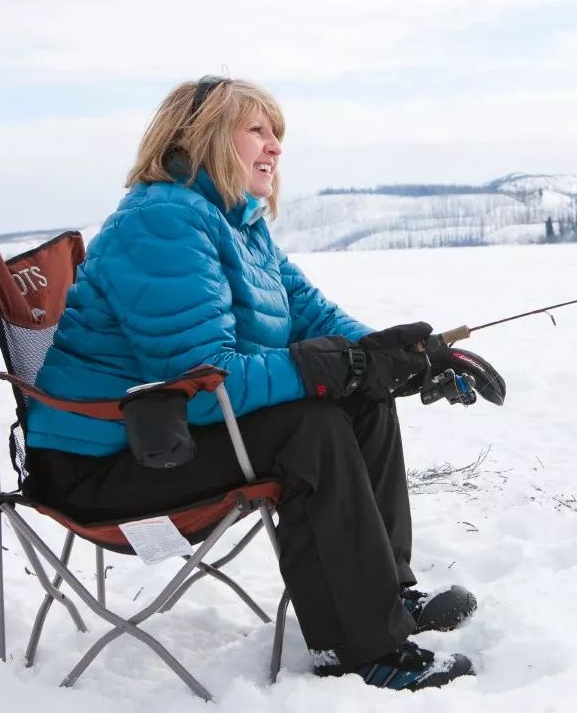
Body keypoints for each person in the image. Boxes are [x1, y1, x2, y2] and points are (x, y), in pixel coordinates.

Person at [25, 76, 504, 691]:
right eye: (255, 129)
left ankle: (383, 597)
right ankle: (362, 647)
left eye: (277, 132)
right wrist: (336, 367)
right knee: (312, 424)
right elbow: (199, 384)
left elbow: (317, 319)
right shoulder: (162, 222)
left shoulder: (239, 226)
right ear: (198, 137)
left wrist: (405, 357)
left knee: (359, 396)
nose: (274, 146)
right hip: (103, 466)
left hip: (158, 444)